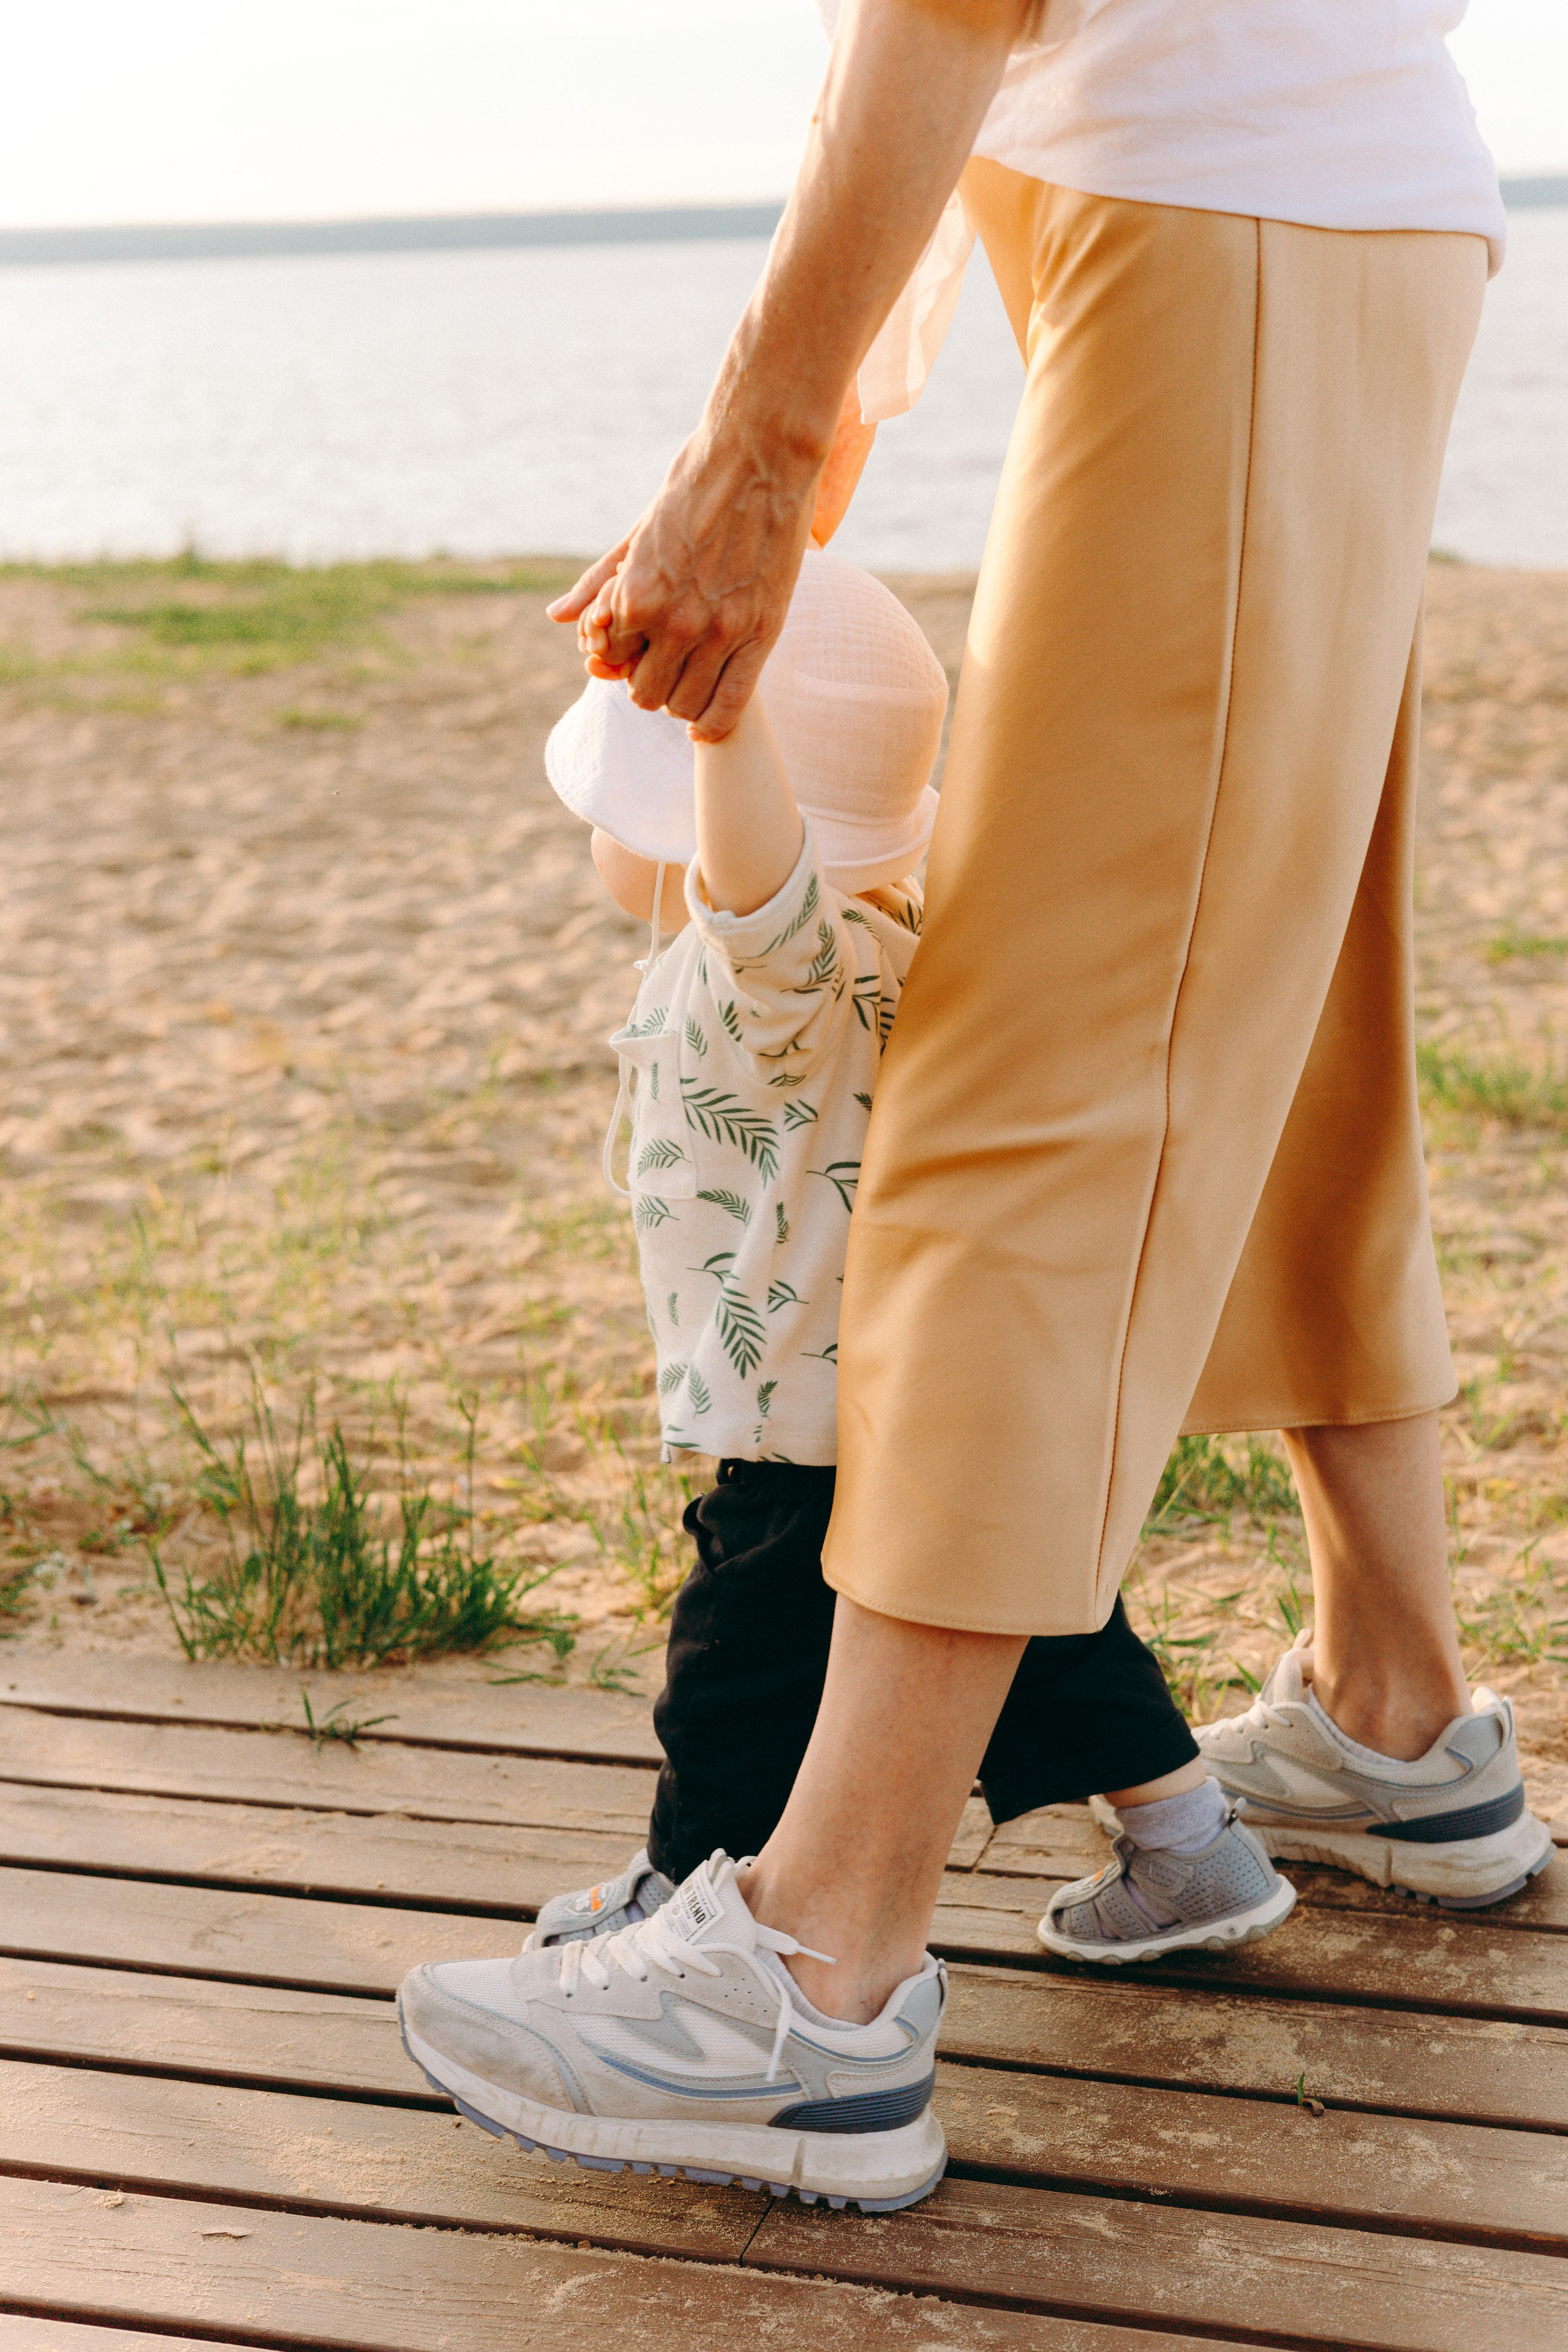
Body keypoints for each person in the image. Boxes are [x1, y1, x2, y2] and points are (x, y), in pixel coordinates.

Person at [403, 0, 1552, 2212]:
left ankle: (816, 1976)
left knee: (1037, 1086)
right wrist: (816, 402)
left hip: (1226, 201)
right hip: (1346, 191)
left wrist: (759, 438)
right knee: (1290, 995)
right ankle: (1398, 1707)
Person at [396, 545, 1294, 2215]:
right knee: (1034, 1626)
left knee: (735, 1670)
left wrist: (725, 730)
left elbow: (751, 874)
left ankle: (689, 1911)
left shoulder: (778, 972)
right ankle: (1192, 1848)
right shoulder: (901, 924)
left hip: (798, 1415)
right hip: (919, 1392)